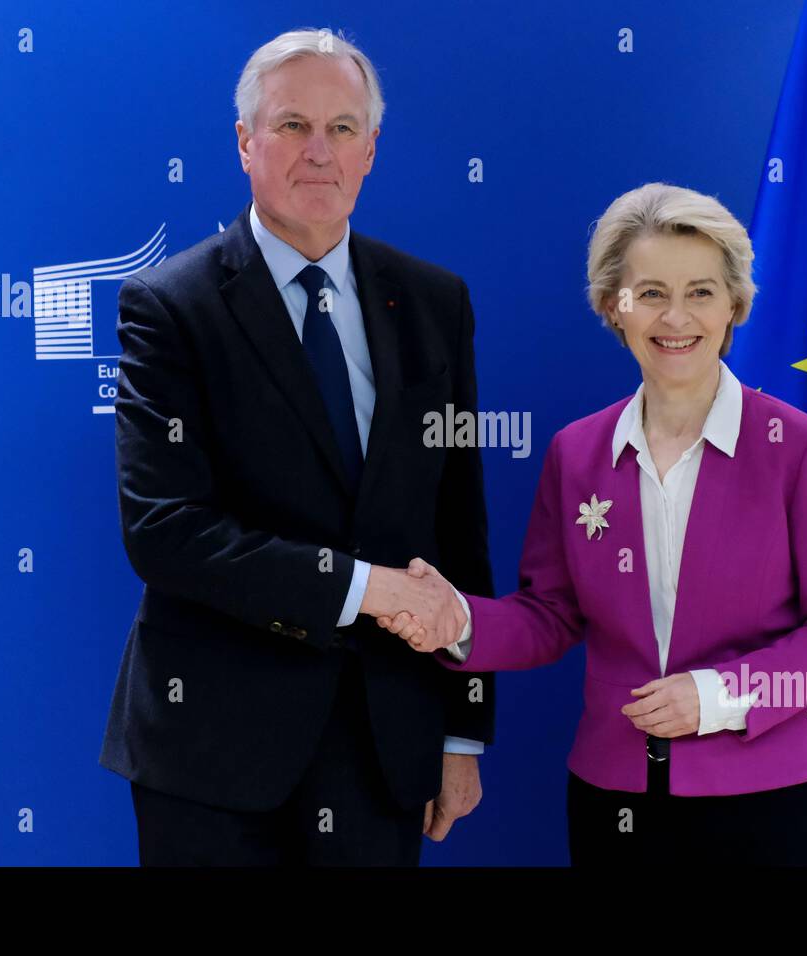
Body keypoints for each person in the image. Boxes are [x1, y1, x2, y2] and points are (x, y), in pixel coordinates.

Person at [379, 182, 807, 865]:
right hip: (612, 802)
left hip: (770, 805)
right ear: (614, 306)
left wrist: (717, 696)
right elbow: (550, 615)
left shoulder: (803, 449)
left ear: (735, 304)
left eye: (701, 292)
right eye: (650, 292)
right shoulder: (576, 453)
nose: (675, 316)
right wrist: (458, 622)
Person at [99, 28, 495, 866]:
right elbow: (165, 531)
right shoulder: (169, 308)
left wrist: (462, 731)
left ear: (372, 149)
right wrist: (367, 588)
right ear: (245, 141)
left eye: (343, 128)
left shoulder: (434, 303)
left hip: (384, 744)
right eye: (291, 126)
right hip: (212, 751)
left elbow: (458, 522)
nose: (320, 152)